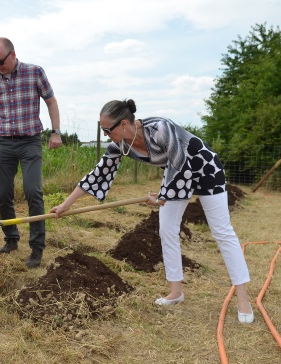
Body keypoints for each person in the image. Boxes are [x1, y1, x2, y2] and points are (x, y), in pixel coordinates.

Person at [50, 99, 254, 324]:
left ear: (124, 124)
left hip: (203, 168)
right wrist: (65, 205)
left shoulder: (159, 128)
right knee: (166, 229)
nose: (106, 135)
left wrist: (163, 195)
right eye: (103, 131)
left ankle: (243, 298)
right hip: (175, 174)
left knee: (222, 231)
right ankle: (176, 291)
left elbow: (180, 160)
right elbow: (97, 174)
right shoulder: (119, 145)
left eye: (108, 130)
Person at [0, 37, 62, 268]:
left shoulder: (35, 72)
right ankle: (11, 238)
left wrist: (56, 132)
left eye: (0, 61)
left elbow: (51, 102)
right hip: (3, 142)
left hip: (29, 142)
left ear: (13, 54)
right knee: (4, 194)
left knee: (33, 191)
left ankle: (36, 247)